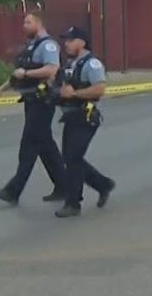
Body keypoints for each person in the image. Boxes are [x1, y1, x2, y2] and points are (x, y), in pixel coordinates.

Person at [0, 12, 67, 205]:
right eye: (24, 21)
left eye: (28, 22)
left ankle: (13, 190)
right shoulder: (31, 46)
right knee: (45, 145)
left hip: (44, 100)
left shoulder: (48, 45)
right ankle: (64, 186)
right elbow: (19, 73)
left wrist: (27, 73)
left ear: (39, 24)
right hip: (32, 100)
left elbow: (51, 69)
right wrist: (1, 90)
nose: (24, 25)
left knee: (29, 145)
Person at [52, 26, 116, 218]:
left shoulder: (92, 64)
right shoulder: (71, 64)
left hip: (85, 117)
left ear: (82, 42)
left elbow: (99, 89)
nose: (67, 44)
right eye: (66, 40)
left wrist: (76, 93)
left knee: (72, 158)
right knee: (71, 158)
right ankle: (103, 184)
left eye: (71, 40)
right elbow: (62, 87)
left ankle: (73, 203)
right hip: (71, 116)